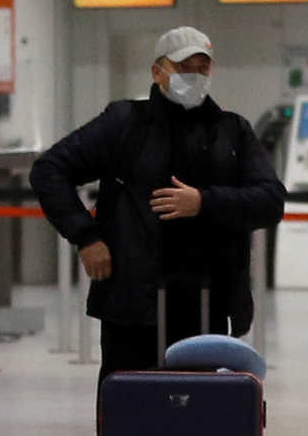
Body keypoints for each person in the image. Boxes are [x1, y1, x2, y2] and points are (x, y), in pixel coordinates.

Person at [30, 26, 286, 375]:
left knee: (198, 408)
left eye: (202, 67)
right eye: (183, 68)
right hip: (133, 301)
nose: (193, 76)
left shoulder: (232, 131)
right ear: (157, 71)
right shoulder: (124, 124)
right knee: (129, 407)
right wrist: (86, 237)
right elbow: (49, 170)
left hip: (207, 300)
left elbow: (270, 200)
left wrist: (204, 202)